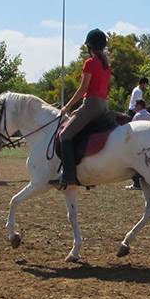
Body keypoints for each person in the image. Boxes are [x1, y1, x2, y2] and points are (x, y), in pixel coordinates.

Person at [54, 29, 112, 187]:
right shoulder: (106, 65)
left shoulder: (90, 63)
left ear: (89, 46)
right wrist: (79, 109)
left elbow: (83, 90)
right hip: (102, 106)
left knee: (65, 135)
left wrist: (67, 106)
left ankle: (68, 176)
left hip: (91, 105)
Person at [126, 99, 150, 190]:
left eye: (136, 105)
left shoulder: (137, 116)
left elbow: (131, 128)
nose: (134, 107)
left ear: (139, 106)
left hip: (138, 143)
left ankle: (137, 183)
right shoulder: (149, 115)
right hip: (149, 143)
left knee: (133, 163)